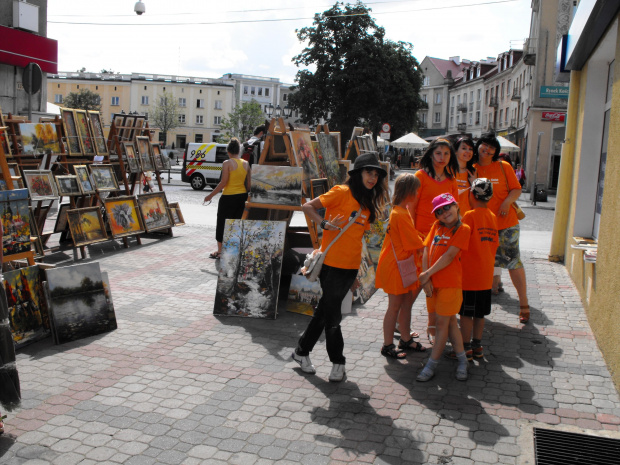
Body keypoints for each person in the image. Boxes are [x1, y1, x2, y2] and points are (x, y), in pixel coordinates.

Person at [293, 152, 388, 382]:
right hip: (332, 266)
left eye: (376, 174)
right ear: (357, 174)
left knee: (324, 313)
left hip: (349, 269)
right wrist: (325, 224)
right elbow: (308, 207)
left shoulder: (367, 203)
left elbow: (358, 241)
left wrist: (356, 274)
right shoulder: (341, 192)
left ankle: (301, 352)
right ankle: (338, 363)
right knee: (333, 317)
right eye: (368, 172)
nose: (373, 178)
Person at [473, 134, 530, 323]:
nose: (487, 150)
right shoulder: (471, 168)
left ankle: (524, 303)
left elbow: (516, 188)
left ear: (496, 151)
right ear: (478, 146)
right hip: (482, 225)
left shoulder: (503, 167)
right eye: (484, 145)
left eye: (491, 147)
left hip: (506, 224)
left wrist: (506, 202)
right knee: (482, 265)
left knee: (513, 262)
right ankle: (478, 306)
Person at [417, 193, 471, 382]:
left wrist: (427, 275)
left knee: (441, 324)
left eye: (447, 207)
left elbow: (448, 256)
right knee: (449, 324)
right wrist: (426, 279)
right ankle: (463, 361)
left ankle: (432, 365)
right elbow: (426, 251)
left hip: (450, 285)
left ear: (456, 206)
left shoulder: (463, 229)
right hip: (433, 285)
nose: (444, 213)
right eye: (439, 211)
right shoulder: (436, 226)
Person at [409, 138, 459, 344]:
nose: (442, 158)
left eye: (446, 154)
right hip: (421, 237)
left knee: (435, 283)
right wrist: (412, 233)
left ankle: (434, 325)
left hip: (443, 238)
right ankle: (403, 320)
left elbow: (456, 209)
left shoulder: (451, 179)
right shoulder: (420, 176)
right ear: (431, 154)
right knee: (416, 283)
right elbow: (411, 206)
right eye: (439, 153)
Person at [375, 173, 427, 359]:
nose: (418, 193)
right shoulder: (400, 214)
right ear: (409, 191)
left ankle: (404, 339)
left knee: (405, 304)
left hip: (399, 264)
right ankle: (387, 345)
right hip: (397, 266)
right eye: (416, 190)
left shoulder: (399, 210)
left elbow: (411, 237)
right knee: (395, 306)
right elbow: (413, 242)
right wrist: (431, 242)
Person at [449, 178, 498, 361]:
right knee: (480, 314)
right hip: (485, 275)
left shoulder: (469, 216)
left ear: (472, 195)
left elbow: (460, 241)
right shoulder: (492, 217)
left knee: (466, 314)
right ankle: (477, 346)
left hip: (469, 276)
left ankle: (464, 347)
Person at [204, 138, 251, 259]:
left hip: (228, 197)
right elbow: (249, 185)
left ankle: (220, 251)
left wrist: (210, 196)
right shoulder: (246, 164)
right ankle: (232, 250)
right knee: (236, 223)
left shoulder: (227, 163)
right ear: (238, 151)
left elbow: (223, 182)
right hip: (242, 197)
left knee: (222, 224)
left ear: (228, 151)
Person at [453, 137, 476, 214]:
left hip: (466, 219)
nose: (468, 151)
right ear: (455, 151)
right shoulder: (446, 170)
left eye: (470, 149)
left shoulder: (473, 173)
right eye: (464, 148)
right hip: (447, 218)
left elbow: (475, 201)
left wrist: (474, 184)